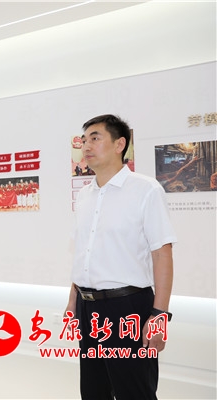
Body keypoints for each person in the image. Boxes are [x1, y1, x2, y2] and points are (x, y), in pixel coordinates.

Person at [64, 114, 177, 400]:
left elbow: (162, 254)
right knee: (93, 391)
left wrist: (159, 316)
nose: (86, 146)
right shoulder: (85, 195)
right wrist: (72, 302)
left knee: (135, 392)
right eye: (84, 140)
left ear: (119, 144)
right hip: (87, 308)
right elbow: (84, 254)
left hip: (128, 307)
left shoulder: (145, 190)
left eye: (95, 138)